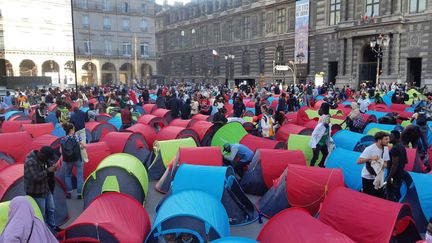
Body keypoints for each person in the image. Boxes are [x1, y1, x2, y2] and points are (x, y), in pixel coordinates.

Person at [24, 146, 59, 231]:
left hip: (46, 189)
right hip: (36, 193)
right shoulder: (30, 162)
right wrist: (48, 170)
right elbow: (35, 177)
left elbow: (48, 171)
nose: (49, 159)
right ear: (43, 155)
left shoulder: (44, 160)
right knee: (41, 214)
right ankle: (42, 231)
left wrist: (52, 167)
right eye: (48, 158)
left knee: (51, 209)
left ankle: (52, 227)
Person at [357, 132, 390, 198]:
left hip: (379, 177)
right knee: (368, 197)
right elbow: (358, 161)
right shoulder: (369, 149)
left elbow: (386, 163)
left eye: (388, 139)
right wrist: (370, 158)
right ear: (379, 140)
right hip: (368, 177)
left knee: (379, 197)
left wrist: (382, 163)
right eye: (385, 139)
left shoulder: (386, 149)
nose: (388, 141)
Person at [61, 123, 84, 200]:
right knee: (79, 176)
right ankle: (79, 193)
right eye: (74, 129)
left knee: (67, 175)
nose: (74, 130)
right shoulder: (77, 137)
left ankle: (69, 193)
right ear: (71, 130)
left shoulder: (63, 139)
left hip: (68, 160)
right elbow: (83, 145)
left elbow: (61, 151)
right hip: (77, 158)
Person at [386, 130, 407, 202]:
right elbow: (405, 161)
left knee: (390, 193)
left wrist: (389, 177)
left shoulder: (395, 149)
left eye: (391, 137)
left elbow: (395, 165)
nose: (389, 138)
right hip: (400, 174)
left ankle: (391, 207)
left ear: (396, 138)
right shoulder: (402, 147)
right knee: (397, 192)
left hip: (394, 176)